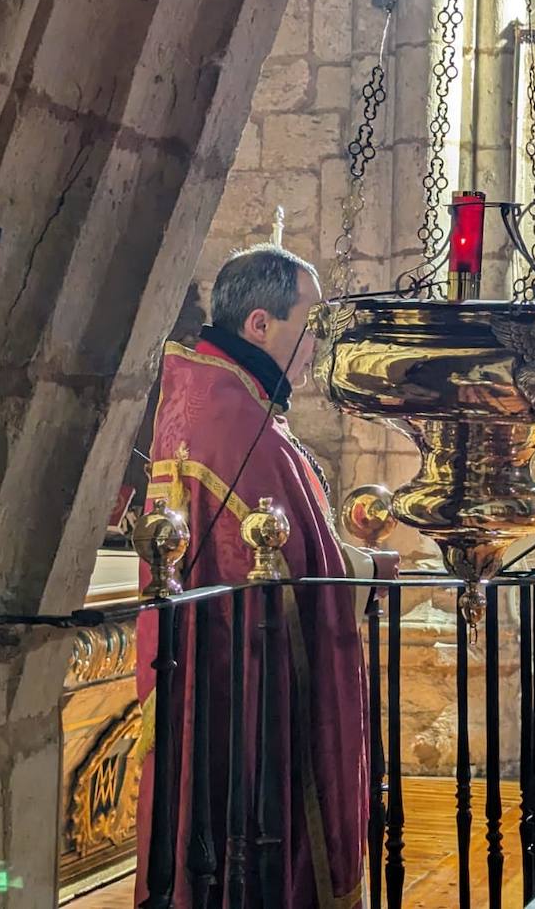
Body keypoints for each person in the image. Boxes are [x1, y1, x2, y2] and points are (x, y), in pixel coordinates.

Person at [133, 245, 395, 909]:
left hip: (212, 666)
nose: (313, 349)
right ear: (259, 325)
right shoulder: (234, 421)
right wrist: (370, 567)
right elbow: (296, 567)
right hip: (241, 673)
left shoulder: (212, 402)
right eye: (308, 325)